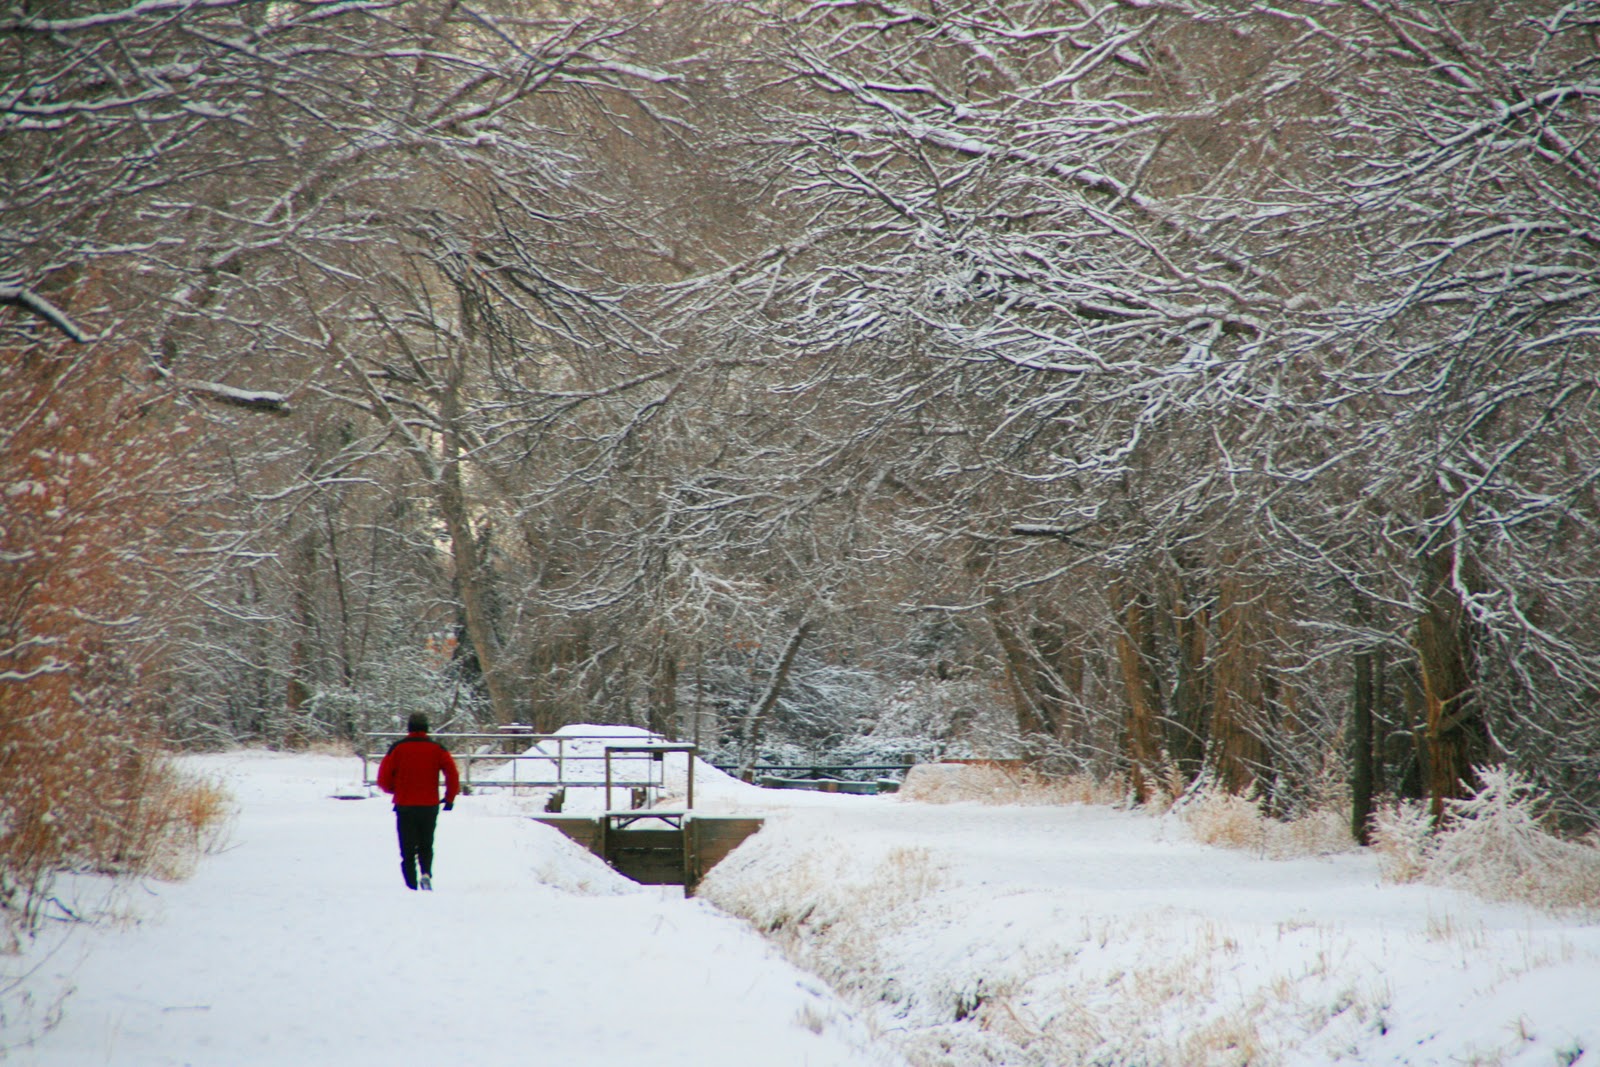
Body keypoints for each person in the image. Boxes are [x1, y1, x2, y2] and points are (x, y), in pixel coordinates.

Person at [376, 712, 460, 891]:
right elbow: (452, 773)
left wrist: (395, 789)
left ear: (409, 728)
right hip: (429, 805)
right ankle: (426, 873)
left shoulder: (397, 748)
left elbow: (383, 778)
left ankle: (411, 885)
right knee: (426, 843)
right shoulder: (437, 748)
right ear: (427, 728)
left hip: (405, 805)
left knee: (407, 847)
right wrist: (449, 798)